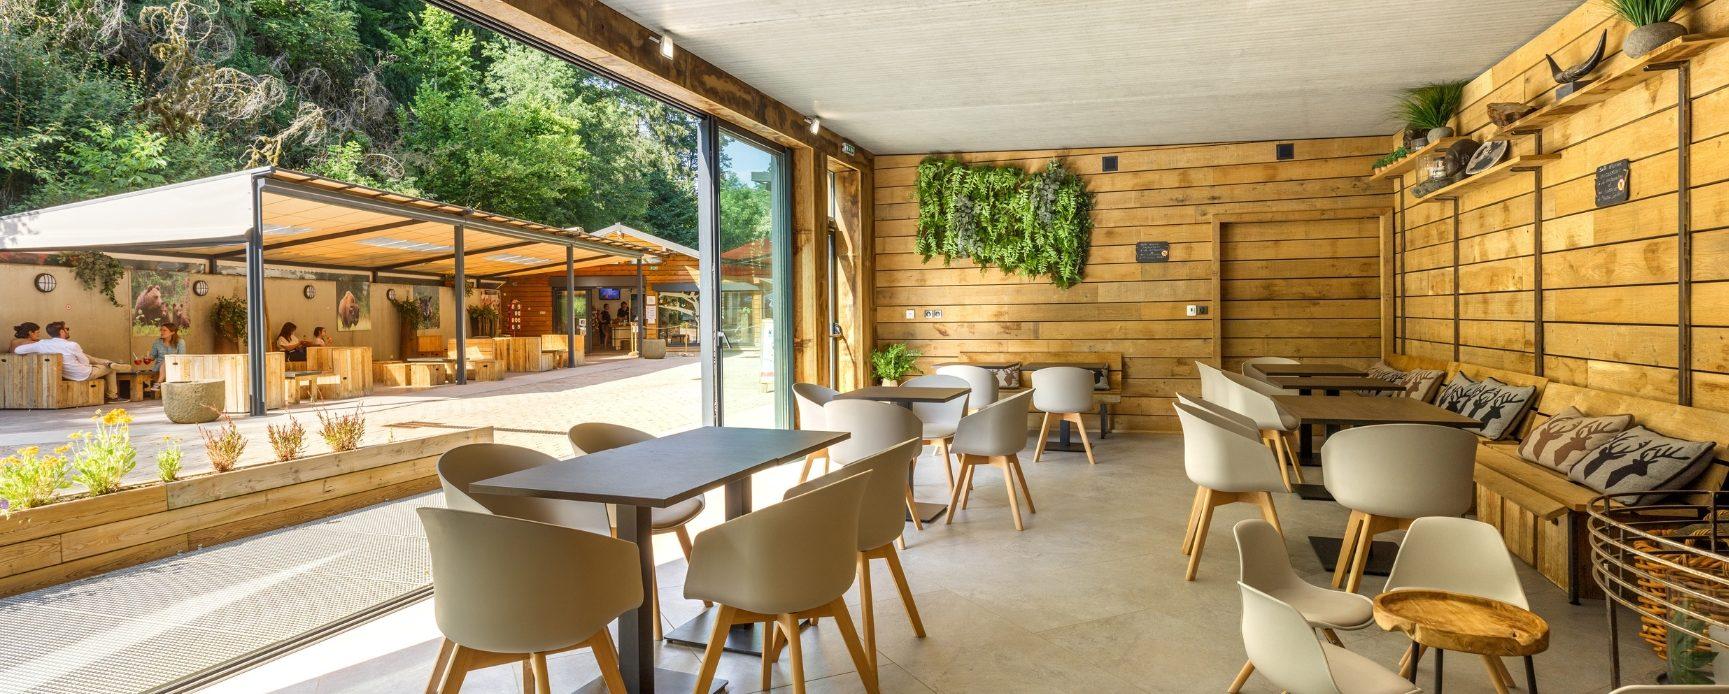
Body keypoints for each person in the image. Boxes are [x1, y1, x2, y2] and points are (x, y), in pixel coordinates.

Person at [16, 321, 119, 401]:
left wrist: (37, 350)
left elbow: (18, 350)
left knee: (89, 358)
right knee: (111, 368)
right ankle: (112, 396)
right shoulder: (72, 345)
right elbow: (85, 362)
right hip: (82, 375)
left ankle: (106, 362)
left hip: (65, 374)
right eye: (67, 329)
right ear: (61, 332)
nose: (68, 331)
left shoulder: (42, 344)